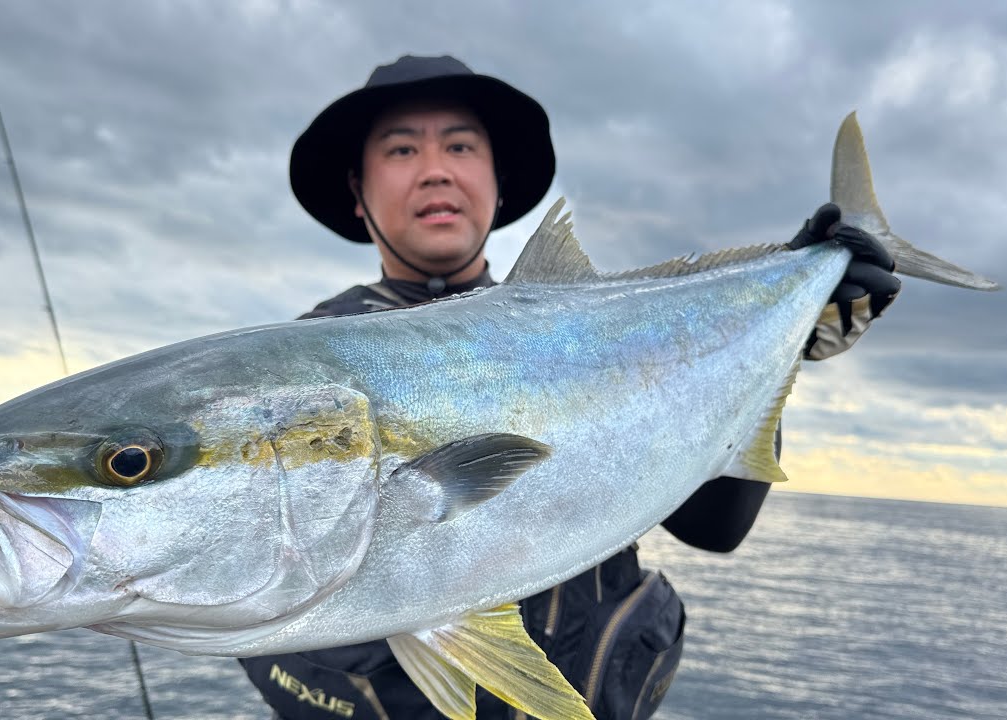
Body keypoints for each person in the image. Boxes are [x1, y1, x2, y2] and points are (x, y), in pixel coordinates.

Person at [237, 54, 901, 720]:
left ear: (497, 180)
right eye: (402, 148)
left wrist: (778, 344)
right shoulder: (290, 375)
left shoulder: (605, 335)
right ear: (358, 190)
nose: (435, 168)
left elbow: (715, 526)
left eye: (461, 145)